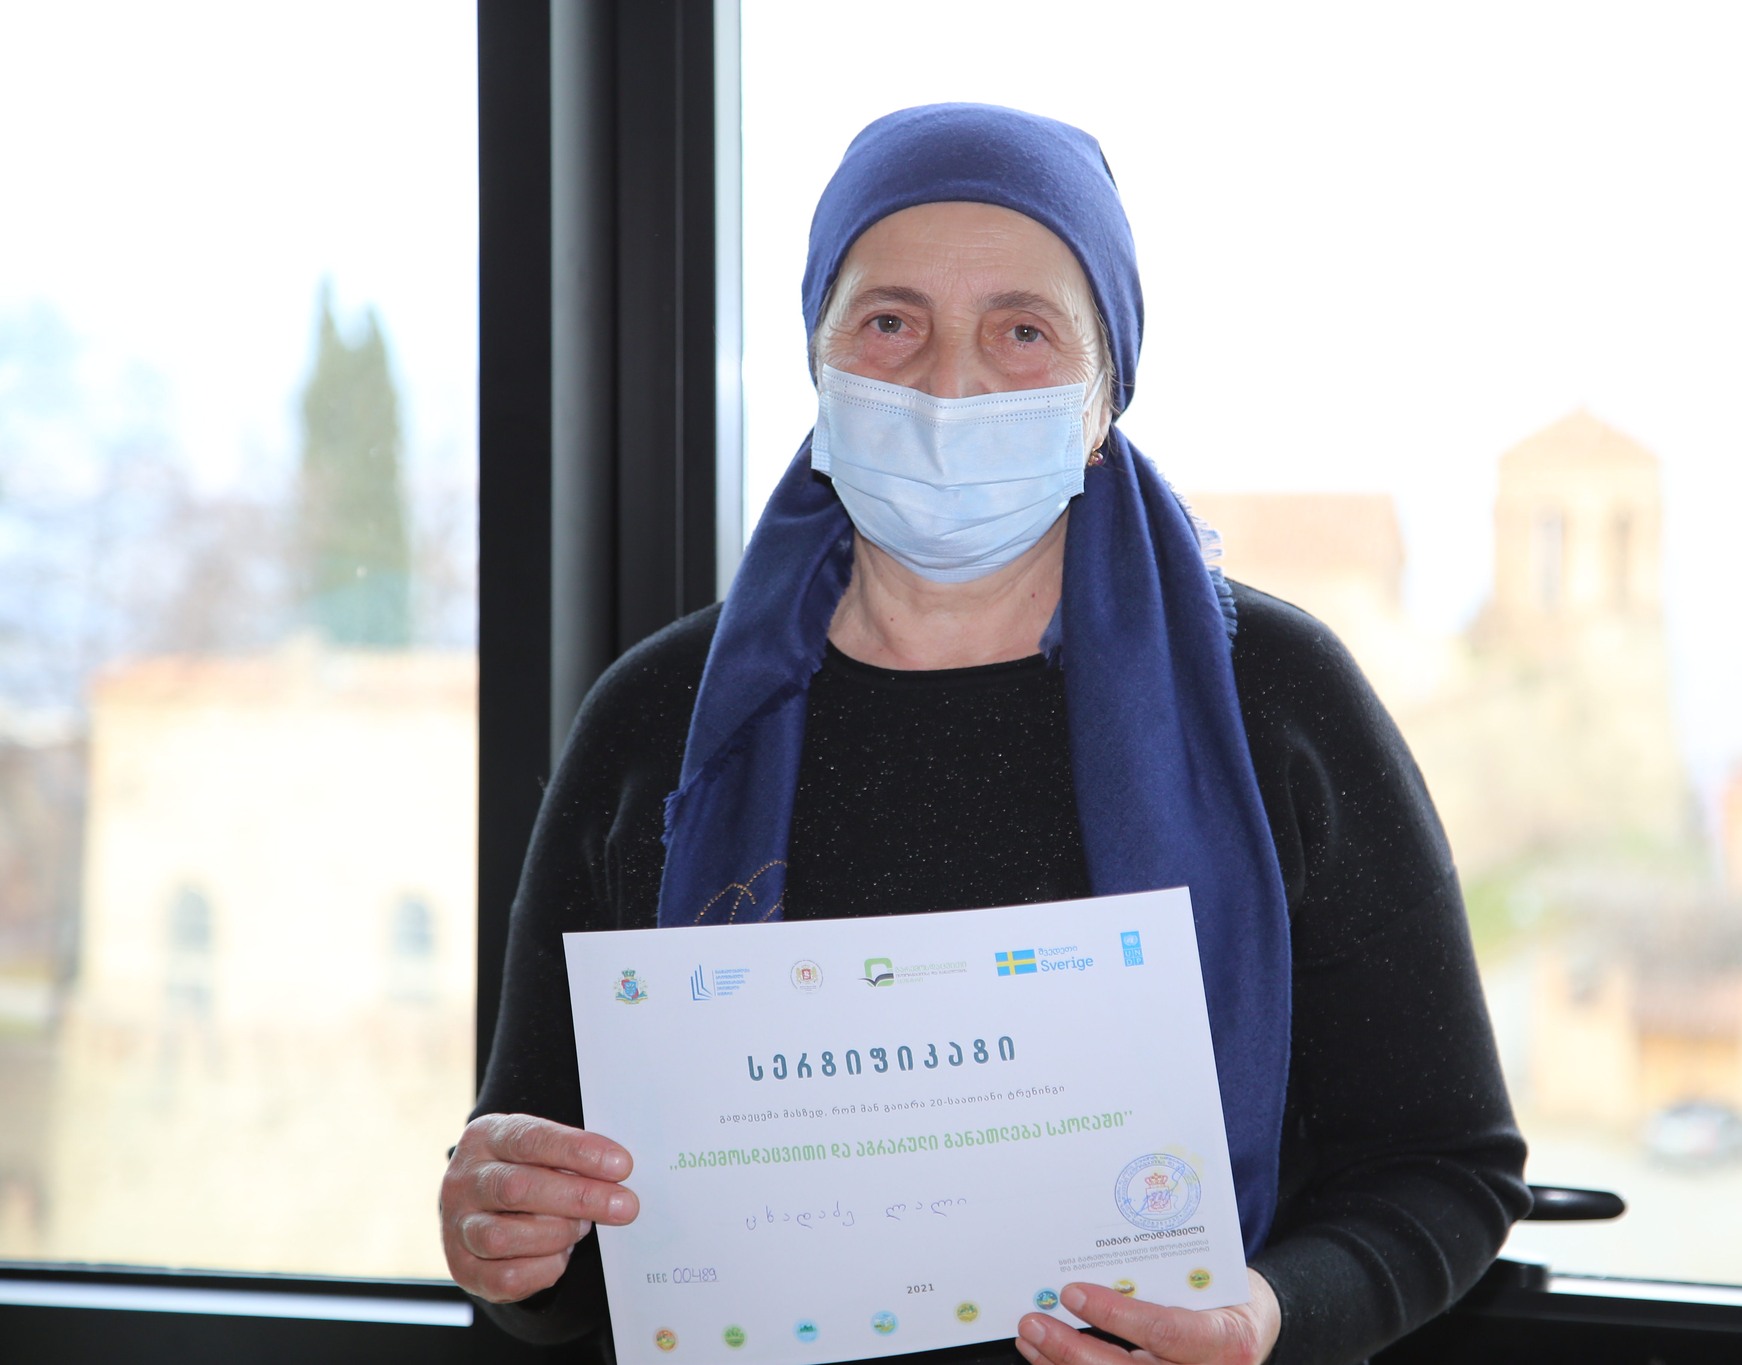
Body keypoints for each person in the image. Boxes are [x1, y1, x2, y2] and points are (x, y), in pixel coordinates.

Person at [440, 103, 1530, 1365]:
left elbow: (1443, 1170)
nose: (949, 387)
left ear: (1104, 388)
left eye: (1021, 331)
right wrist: (509, 1243)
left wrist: (1266, 1319)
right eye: (889, 322)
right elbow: (562, 1241)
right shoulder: (659, 719)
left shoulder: (1273, 699)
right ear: (818, 358)